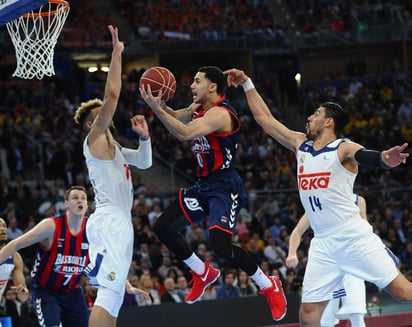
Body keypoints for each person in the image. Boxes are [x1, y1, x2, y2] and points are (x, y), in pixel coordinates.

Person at [224, 68, 412, 327]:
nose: (309, 118)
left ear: (328, 122)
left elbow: (367, 155)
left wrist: (384, 159)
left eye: (315, 115)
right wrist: (247, 83)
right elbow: (264, 120)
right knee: (308, 316)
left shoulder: (343, 147)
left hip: (353, 236)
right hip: (323, 244)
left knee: (403, 293)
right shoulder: (300, 144)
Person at [140, 65, 287, 321]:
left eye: (197, 82)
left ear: (213, 87)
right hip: (203, 185)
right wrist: (156, 102)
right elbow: (176, 115)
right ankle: (202, 272)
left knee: (220, 245)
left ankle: (268, 284)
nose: (192, 86)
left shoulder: (220, 114)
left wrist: (155, 109)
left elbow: (183, 133)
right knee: (162, 226)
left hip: (224, 187)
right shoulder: (198, 109)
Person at [73, 25, 152, 327]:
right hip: (108, 220)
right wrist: (117, 55)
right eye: (100, 115)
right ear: (93, 124)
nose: (107, 115)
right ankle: (97, 268)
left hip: (120, 222)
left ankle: (104, 274)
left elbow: (144, 162)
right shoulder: (94, 140)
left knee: (114, 298)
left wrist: (144, 137)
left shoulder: (115, 150)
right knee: (107, 293)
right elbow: (113, 94)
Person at [0, 186, 89, 327]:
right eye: (75, 197)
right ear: (66, 203)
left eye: (83, 198)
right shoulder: (51, 226)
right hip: (46, 292)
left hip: (73, 292)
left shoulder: (93, 229)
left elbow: (108, 258)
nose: (80, 201)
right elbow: (16, 244)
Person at [286, 194, 368, 327]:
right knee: (324, 319)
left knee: (356, 312)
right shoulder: (317, 202)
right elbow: (297, 231)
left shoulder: (358, 200)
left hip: (350, 256)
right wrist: (292, 253)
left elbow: (365, 232)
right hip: (325, 260)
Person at [0, 218, 29, 327]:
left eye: (4, 226)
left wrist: (23, 292)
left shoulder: (14, 257)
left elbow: (23, 297)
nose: (3, 229)